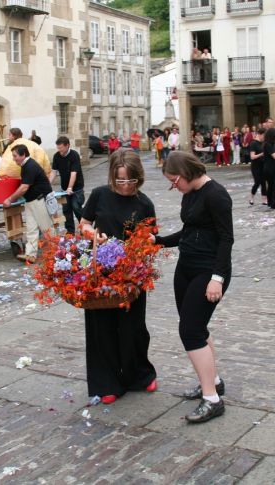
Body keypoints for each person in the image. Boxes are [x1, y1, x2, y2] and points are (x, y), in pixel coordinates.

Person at [153, 151, 233, 423]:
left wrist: (217, 278)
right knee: (197, 327)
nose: (174, 186)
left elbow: (226, 239)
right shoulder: (190, 195)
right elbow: (189, 231)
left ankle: (212, 399)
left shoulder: (217, 195)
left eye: (175, 181)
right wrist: (159, 241)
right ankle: (214, 381)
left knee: (190, 331)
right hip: (186, 267)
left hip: (208, 270)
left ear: (187, 172)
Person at [78, 149, 157, 405]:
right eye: (120, 181)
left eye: (130, 181)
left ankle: (139, 375)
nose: (125, 186)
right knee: (102, 328)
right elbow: (84, 223)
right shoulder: (100, 194)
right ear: (112, 176)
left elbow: (151, 238)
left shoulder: (144, 203)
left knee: (133, 328)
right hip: (101, 273)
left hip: (132, 273)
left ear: (138, 178)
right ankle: (107, 382)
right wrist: (93, 235)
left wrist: (138, 250)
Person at [2, 144, 54, 263]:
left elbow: (24, 187)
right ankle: (30, 255)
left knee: (47, 229)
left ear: (23, 154)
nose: (13, 158)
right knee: (31, 229)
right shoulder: (25, 165)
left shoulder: (30, 166)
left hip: (39, 200)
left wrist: (10, 199)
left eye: (15, 156)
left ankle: (56, 254)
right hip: (31, 201)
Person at [50, 136, 84, 234]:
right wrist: (48, 185)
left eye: (61, 148)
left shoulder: (74, 155)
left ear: (67, 145)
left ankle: (84, 227)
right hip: (64, 188)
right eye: (58, 148)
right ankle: (70, 232)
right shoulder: (56, 156)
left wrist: (70, 188)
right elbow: (53, 172)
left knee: (76, 207)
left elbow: (74, 173)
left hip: (77, 187)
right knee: (66, 210)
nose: (59, 150)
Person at [249, 128, 266, 205]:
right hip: (255, 166)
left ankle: (264, 199)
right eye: (264, 136)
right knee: (257, 182)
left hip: (263, 165)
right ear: (260, 134)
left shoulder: (263, 143)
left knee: (263, 183)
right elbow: (252, 156)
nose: (264, 138)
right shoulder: (253, 143)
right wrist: (261, 154)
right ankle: (251, 197)